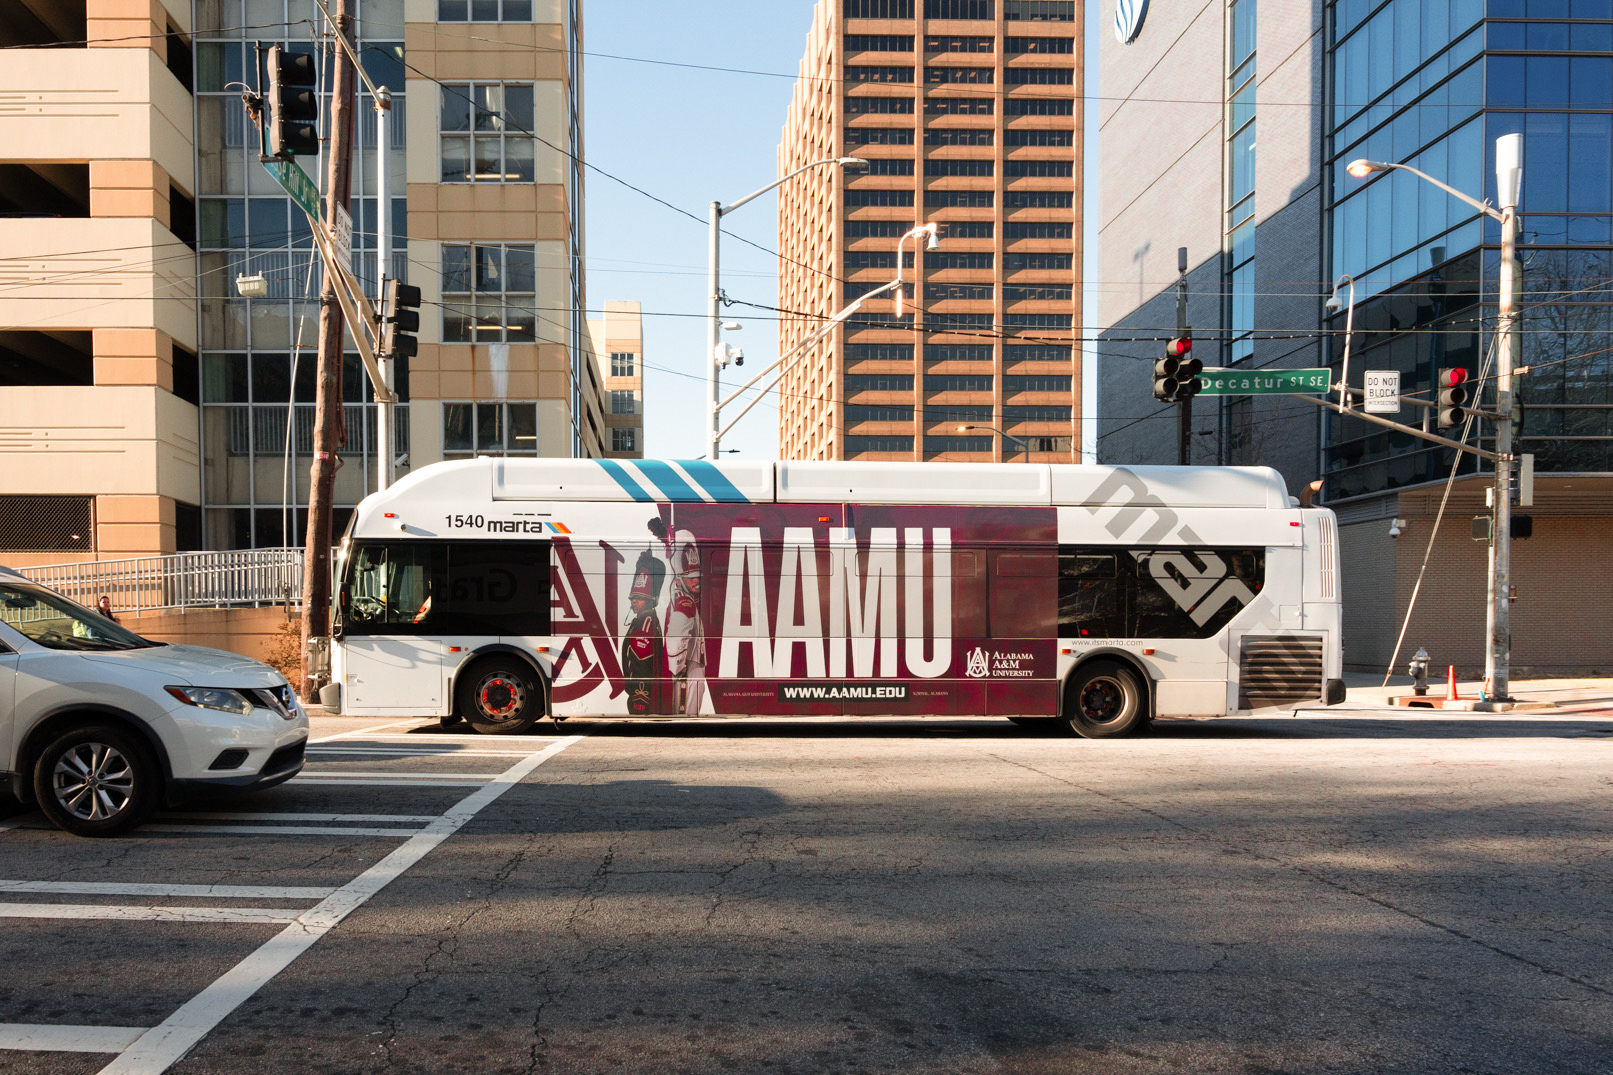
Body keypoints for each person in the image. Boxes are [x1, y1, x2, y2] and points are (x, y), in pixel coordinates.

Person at [648, 516, 705, 716]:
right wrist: (678, 664)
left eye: (698, 576)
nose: (696, 580)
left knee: (697, 686)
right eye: (691, 578)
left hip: (695, 663)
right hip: (688, 667)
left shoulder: (690, 600)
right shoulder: (685, 604)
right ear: (680, 581)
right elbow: (674, 644)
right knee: (690, 691)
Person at [620, 547, 667, 716]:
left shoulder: (646, 624)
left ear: (649, 601)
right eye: (633, 598)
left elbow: (642, 668)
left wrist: (640, 698)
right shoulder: (642, 620)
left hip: (640, 695)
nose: (634, 602)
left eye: (639, 598)